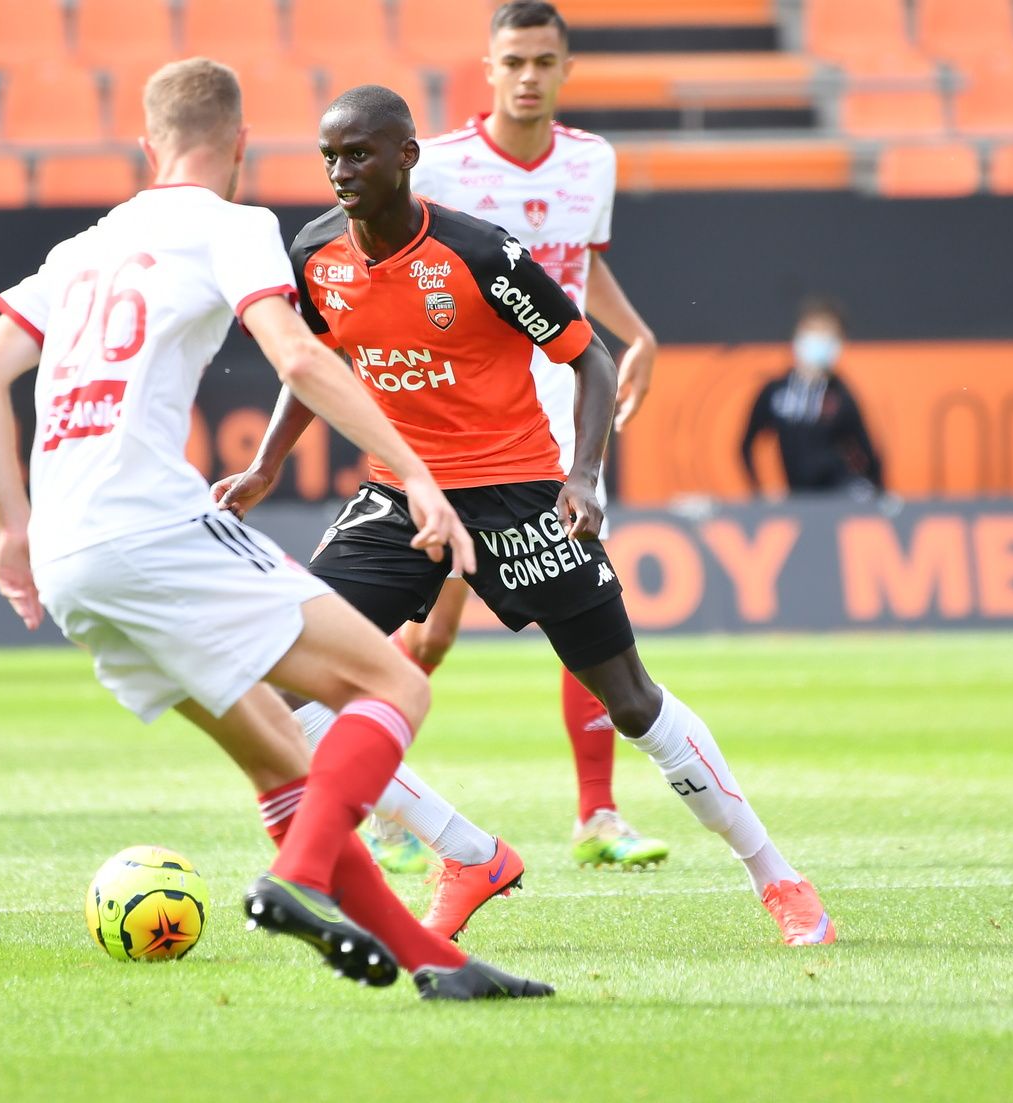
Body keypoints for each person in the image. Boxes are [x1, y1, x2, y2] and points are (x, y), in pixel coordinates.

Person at [0, 58, 551, 1001]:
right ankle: (298, 876)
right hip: (150, 525)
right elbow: (299, 357)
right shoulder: (233, 225)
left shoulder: (79, 251)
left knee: (284, 760)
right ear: (239, 145)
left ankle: (437, 965)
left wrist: (12, 531)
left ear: (146, 147)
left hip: (70, 560)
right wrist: (424, 477)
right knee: (392, 680)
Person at [213, 84, 835, 947]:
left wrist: (582, 474)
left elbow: (592, 357)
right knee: (283, 681)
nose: (341, 171)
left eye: (359, 153)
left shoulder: (479, 255)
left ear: (405, 156)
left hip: (518, 498)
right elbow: (310, 362)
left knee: (630, 700)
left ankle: (779, 877)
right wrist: (266, 462)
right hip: (401, 496)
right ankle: (466, 852)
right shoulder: (316, 252)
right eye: (329, 155)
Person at [373, 0, 669, 878]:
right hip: (472, 426)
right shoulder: (448, 168)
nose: (529, 75)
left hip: (564, 425)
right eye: (514, 61)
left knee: (585, 608)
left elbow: (577, 263)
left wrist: (637, 334)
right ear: (490, 67)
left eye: (545, 60)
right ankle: (385, 801)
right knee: (428, 633)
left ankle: (599, 813)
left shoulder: (592, 162)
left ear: (566, 69)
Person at [740, 296, 884, 499]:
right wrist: (759, 493)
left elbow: (868, 454)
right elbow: (746, 445)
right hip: (799, 497)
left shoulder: (841, 395)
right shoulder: (776, 393)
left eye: (828, 334)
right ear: (798, 334)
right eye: (814, 331)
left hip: (840, 492)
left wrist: (880, 498)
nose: (819, 340)